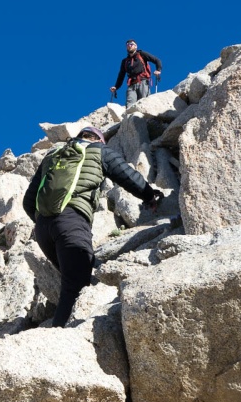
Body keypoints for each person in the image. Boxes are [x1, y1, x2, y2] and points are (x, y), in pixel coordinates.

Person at [22, 127, 162, 327]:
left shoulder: (53, 155)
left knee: (73, 279)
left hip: (43, 229)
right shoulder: (98, 150)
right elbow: (126, 175)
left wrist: (47, 220)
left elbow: (28, 201)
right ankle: (57, 341)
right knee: (75, 287)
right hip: (72, 221)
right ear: (97, 139)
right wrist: (150, 196)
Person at [110, 40, 162, 107]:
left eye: (131, 44)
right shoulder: (125, 61)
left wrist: (158, 69)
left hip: (143, 82)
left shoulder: (142, 54)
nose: (129, 46)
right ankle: (130, 117)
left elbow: (156, 60)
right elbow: (121, 75)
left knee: (144, 103)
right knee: (130, 105)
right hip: (131, 85)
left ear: (136, 46)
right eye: (127, 45)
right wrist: (116, 86)